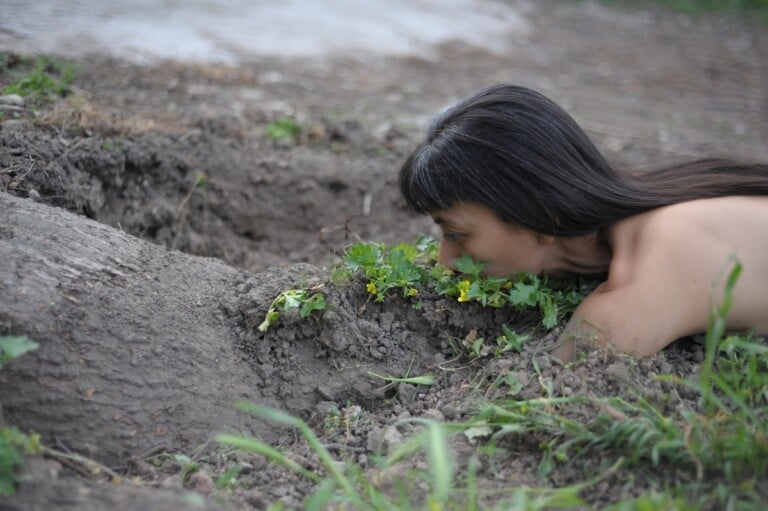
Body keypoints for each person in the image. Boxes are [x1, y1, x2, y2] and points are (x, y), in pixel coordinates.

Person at [398, 84, 768, 361]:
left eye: (457, 234)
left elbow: (548, 384)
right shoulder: (640, 194)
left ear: (542, 218)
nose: (444, 262)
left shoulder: (647, 273)